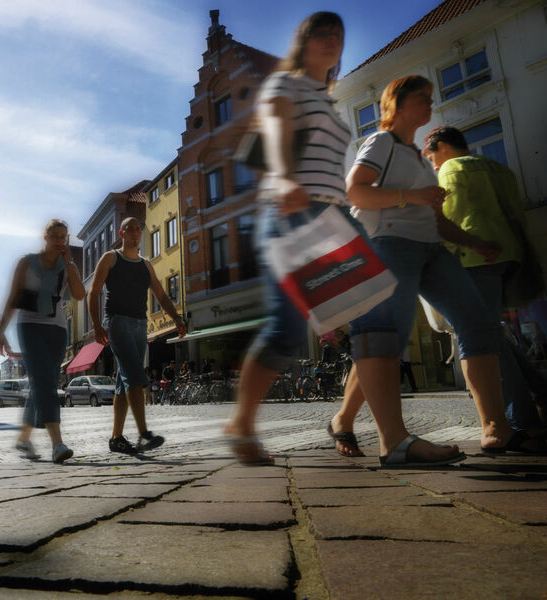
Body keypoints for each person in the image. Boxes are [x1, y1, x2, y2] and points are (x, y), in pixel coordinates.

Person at [332, 74, 518, 465]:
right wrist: (411, 195)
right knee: (387, 340)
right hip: (388, 245)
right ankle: (366, 429)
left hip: (432, 250)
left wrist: (472, 241)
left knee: (477, 322)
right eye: (422, 97)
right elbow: (355, 191)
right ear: (396, 103)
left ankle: (495, 426)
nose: (430, 104)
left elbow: (431, 218)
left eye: (432, 97)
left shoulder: (418, 156)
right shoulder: (382, 142)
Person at [223, 12, 352, 465]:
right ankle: (242, 422)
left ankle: (360, 424)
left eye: (338, 33)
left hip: (331, 219)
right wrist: (281, 178)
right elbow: (276, 131)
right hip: (292, 212)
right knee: (289, 327)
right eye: (322, 32)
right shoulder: (288, 85)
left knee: (369, 316)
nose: (332, 39)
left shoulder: (328, 99)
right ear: (303, 41)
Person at [423, 125, 547, 443]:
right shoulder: (497, 167)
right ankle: (540, 396)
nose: (431, 162)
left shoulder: (452, 167)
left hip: (478, 257)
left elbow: (453, 213)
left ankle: (522, 419)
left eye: (431, 155)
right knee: (492, 334)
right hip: (510, 254)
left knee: (482, 339)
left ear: (443, 148)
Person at [89, 217, 187, 455]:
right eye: (129, 229)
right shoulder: (110, 258)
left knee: (124, 383)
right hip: (117, 322)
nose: (134, 232)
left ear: (140, 234)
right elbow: (94, 292)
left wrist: (176, 318)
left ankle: (116, 438)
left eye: (137, 229)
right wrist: (97, 325)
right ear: (121, 234)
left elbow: (162, 296)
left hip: (140, 325)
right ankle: (144, 434)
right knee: (134, 373)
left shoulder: (146, 265)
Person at [0, 219, 85, 463]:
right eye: (55, 236)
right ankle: (57, 444)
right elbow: (14, 295)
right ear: (45, 237)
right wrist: (0, 331)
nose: (60, 241)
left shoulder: (68, 265)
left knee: (42, 382)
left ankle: (24, 438)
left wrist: (69, 265)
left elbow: (79, 295)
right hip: (30, 326)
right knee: (44, 382)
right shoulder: (27, 262)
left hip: (57, 330)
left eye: (63, 237)